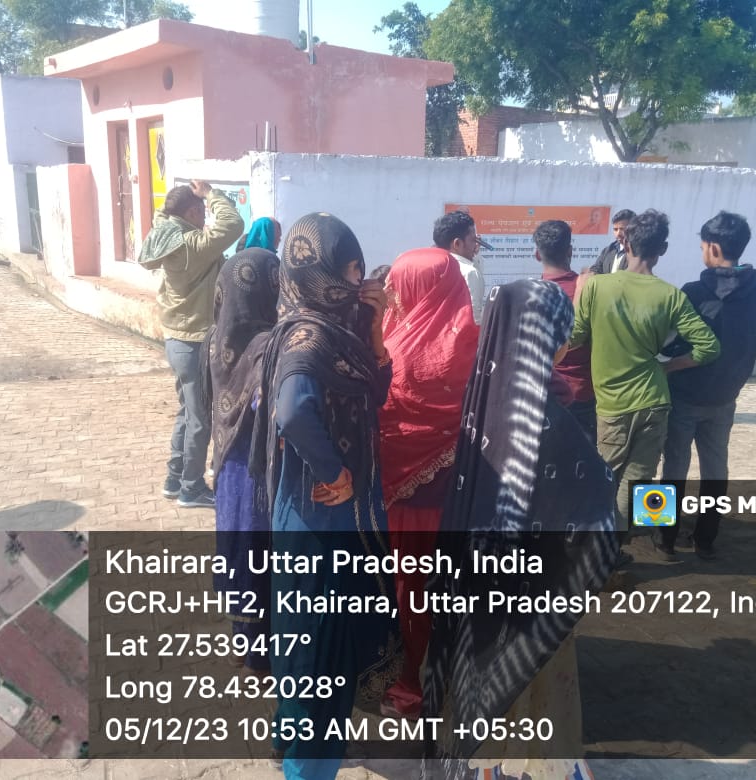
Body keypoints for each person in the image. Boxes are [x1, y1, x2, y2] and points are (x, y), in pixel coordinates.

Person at [421, 279, 620, 780]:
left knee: (481, 685)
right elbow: (593, 508)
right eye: (561, 334)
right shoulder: (551, 423)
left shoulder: (482, 400)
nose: (565, 344)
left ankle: (484, 767)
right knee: (533, 684)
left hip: (477, 586)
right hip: (535, 594)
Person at [250, 212, 402, 780]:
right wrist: (334, 471)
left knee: (306, 643)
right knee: (319, 651)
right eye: (352, 270)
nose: (360, 280)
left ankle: (288, 737)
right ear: (321, 275)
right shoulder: (309, 337)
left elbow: (373, 394)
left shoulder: (329, 327)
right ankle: (306, 768)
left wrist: (377, 332)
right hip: (319, 517)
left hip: (317, 515)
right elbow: (293, 411)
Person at [569, 210, 720, 558]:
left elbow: (574, 337)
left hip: (612, 404)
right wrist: (669, 367)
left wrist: (579, 293)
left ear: (625, 243)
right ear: (662, 249)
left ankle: (599, 552)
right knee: (641, 480)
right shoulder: (671, 295)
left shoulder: (597, 287)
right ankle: (640, 542)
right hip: (655, 400)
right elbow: (709, 347)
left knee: (605, 479)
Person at [377, 247, 478, 719]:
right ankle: (448, 677)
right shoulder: (473, 342)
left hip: (404, 500)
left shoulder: (389, 344)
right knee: (451, 589)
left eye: (399, 286)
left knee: (408, 590)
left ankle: (409, 684)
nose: (393, 295)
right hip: (463, 495)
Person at [657, 211, 756, 561]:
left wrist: (667, 365)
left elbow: (674, 342)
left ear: (714, 248)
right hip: (726, 394)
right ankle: (706, 538)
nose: (702, 251)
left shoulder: (694, 291)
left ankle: (663, 537)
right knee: (716, 468)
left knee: (673, 467)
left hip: (686, 392)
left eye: (703, 246)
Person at [138, 181, 243, 508]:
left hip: (175, 339)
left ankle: (174, 478)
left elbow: (162, 215)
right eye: (202, 213)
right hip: (196, 342)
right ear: (194, 212)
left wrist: (180, 199)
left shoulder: (165, 236)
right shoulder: (194, 245)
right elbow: (233, 224)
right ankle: (192, 487)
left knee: (187, 412)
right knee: (200, 420)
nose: (205, 219)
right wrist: (211, 194)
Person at [208, 248, 280, 671]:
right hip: (258, 469)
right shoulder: (268, 345)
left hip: (227, 465)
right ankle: (260, 651)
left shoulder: (214, 339)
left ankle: (242, 640)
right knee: (259, 551)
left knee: (236, 547)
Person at [534, 220, 596, 441]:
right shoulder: (588, 288)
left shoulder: (531, 294)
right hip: (583, 392)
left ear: (537, 255)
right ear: (570, 251)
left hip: (544, 391)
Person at [434, 211, 487, 324]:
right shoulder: (469, 273)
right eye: (473, 240)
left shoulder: (431, 267)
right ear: (457, 244)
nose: (476, 245)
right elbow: (473, 319)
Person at [587, 208, 635, 275]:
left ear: (633, 229)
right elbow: (595, 269)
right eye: (615, 229)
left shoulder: (639, 252)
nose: (618, 233)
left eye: (622, 229)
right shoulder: (608, 250)